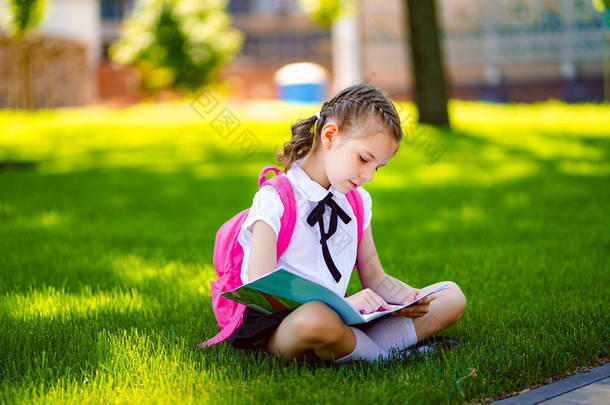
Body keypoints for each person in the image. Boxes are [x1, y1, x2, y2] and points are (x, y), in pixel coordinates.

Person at [228, 84, 466, 365]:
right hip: (284, 326)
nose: (368, 175)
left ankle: (356, 348)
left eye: (376, 167)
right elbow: (262, 289)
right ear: (330, 136)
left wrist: (407, 297)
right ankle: (385, 357)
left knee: (450, 296)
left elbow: (376, 278)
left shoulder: (357, 201)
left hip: (342, 318)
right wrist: (342, 306)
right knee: (317, 318)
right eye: (364, 159)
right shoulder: (275, 198)